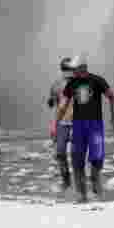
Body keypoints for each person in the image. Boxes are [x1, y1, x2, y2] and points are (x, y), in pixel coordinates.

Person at [52, 56, 114, 203]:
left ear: (82, 67)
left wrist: (113, 119)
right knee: (77, 160)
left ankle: (95, 184)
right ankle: (81, 194)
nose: (72, 72)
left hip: (95, 125)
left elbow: (113, 98)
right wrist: (56, 124)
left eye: (74, 69)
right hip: (78, 125)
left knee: (97, 159)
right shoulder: (71, 84)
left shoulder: (97, 80)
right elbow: (63, 105)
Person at [47, 57, 76, 192]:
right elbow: (51, 100)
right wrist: (51, 101)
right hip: (62, 123)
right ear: (62, 70)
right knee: (60, 153)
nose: (68, 72)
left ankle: (79, 180)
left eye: (69, 69)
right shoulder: (57, 84)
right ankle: (66, 180)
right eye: (65, 70)